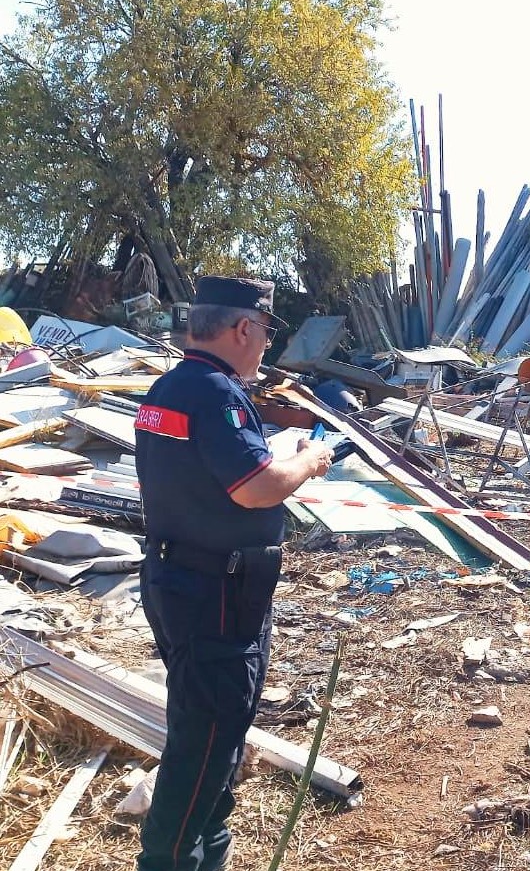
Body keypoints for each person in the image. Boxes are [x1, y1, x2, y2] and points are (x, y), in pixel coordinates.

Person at [134, 276, 334, 871]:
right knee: (205, 738)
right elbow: (257, 487)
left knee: (210, 730)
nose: (266, 345)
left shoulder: (169, 387)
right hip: (215, 592)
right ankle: (169, 860)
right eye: (266, 331)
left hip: (182, 580)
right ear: (244, 327)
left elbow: (205, 471)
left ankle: (203, 852)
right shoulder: (216, 393)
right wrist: (310, 459)